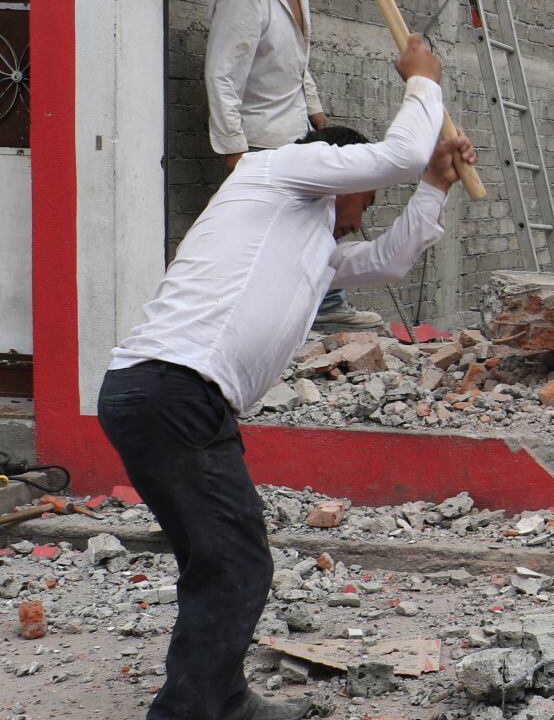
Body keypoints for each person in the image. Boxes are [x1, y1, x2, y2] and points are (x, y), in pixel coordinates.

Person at [102, 35, 472, 720]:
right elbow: (394, 152)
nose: (365, 217)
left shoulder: (312, 248)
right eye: (368, 199)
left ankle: (222, 698)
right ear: (344, 176)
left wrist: (436, 184)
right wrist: (423, 84)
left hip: (183, 400)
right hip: (171, 388)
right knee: (236, 562)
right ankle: (192, 710)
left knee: (223, 560)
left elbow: (390, 262)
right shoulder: (278, 172)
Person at [204, 0, 380, 332]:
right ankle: (314, 307)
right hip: (260, 142)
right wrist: (233, 151)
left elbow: (299, 61)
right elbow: (221, 75)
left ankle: (323, 302)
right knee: (274, 234)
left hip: (296, 132)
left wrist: (316, 111)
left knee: (316, 220)